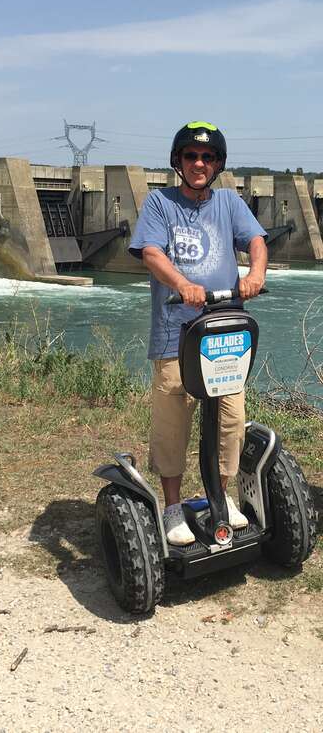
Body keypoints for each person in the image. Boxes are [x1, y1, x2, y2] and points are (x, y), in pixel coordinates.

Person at [128, 121, 268, 545]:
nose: (199, 163)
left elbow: (257, 241)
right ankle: (172, 507)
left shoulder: (228, 202)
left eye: (207, 157)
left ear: (218, 164)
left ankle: (219, 498)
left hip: (225, 333)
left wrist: (255, 272)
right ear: (179, 162)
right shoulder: (160, 203)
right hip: (176, 334)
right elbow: (151, 251)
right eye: (191, 156)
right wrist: (181, 284)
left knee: (231, 420)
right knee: (173, 421)